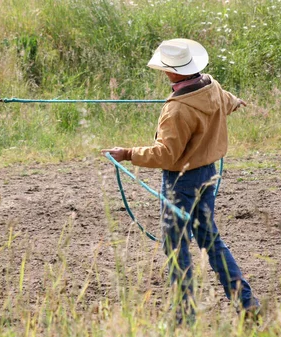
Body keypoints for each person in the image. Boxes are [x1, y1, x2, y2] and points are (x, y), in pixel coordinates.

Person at [101, 38, 260, 322]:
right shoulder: (213, 87)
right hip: (208, 176)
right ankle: (247, 304)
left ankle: (184, 314)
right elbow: (227, 101)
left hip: (181, 183)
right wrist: (236, 103)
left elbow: (166, 154)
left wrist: (126, 153)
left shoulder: (176, 110)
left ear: (173, 72)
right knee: (212, 242)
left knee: (175, 246)